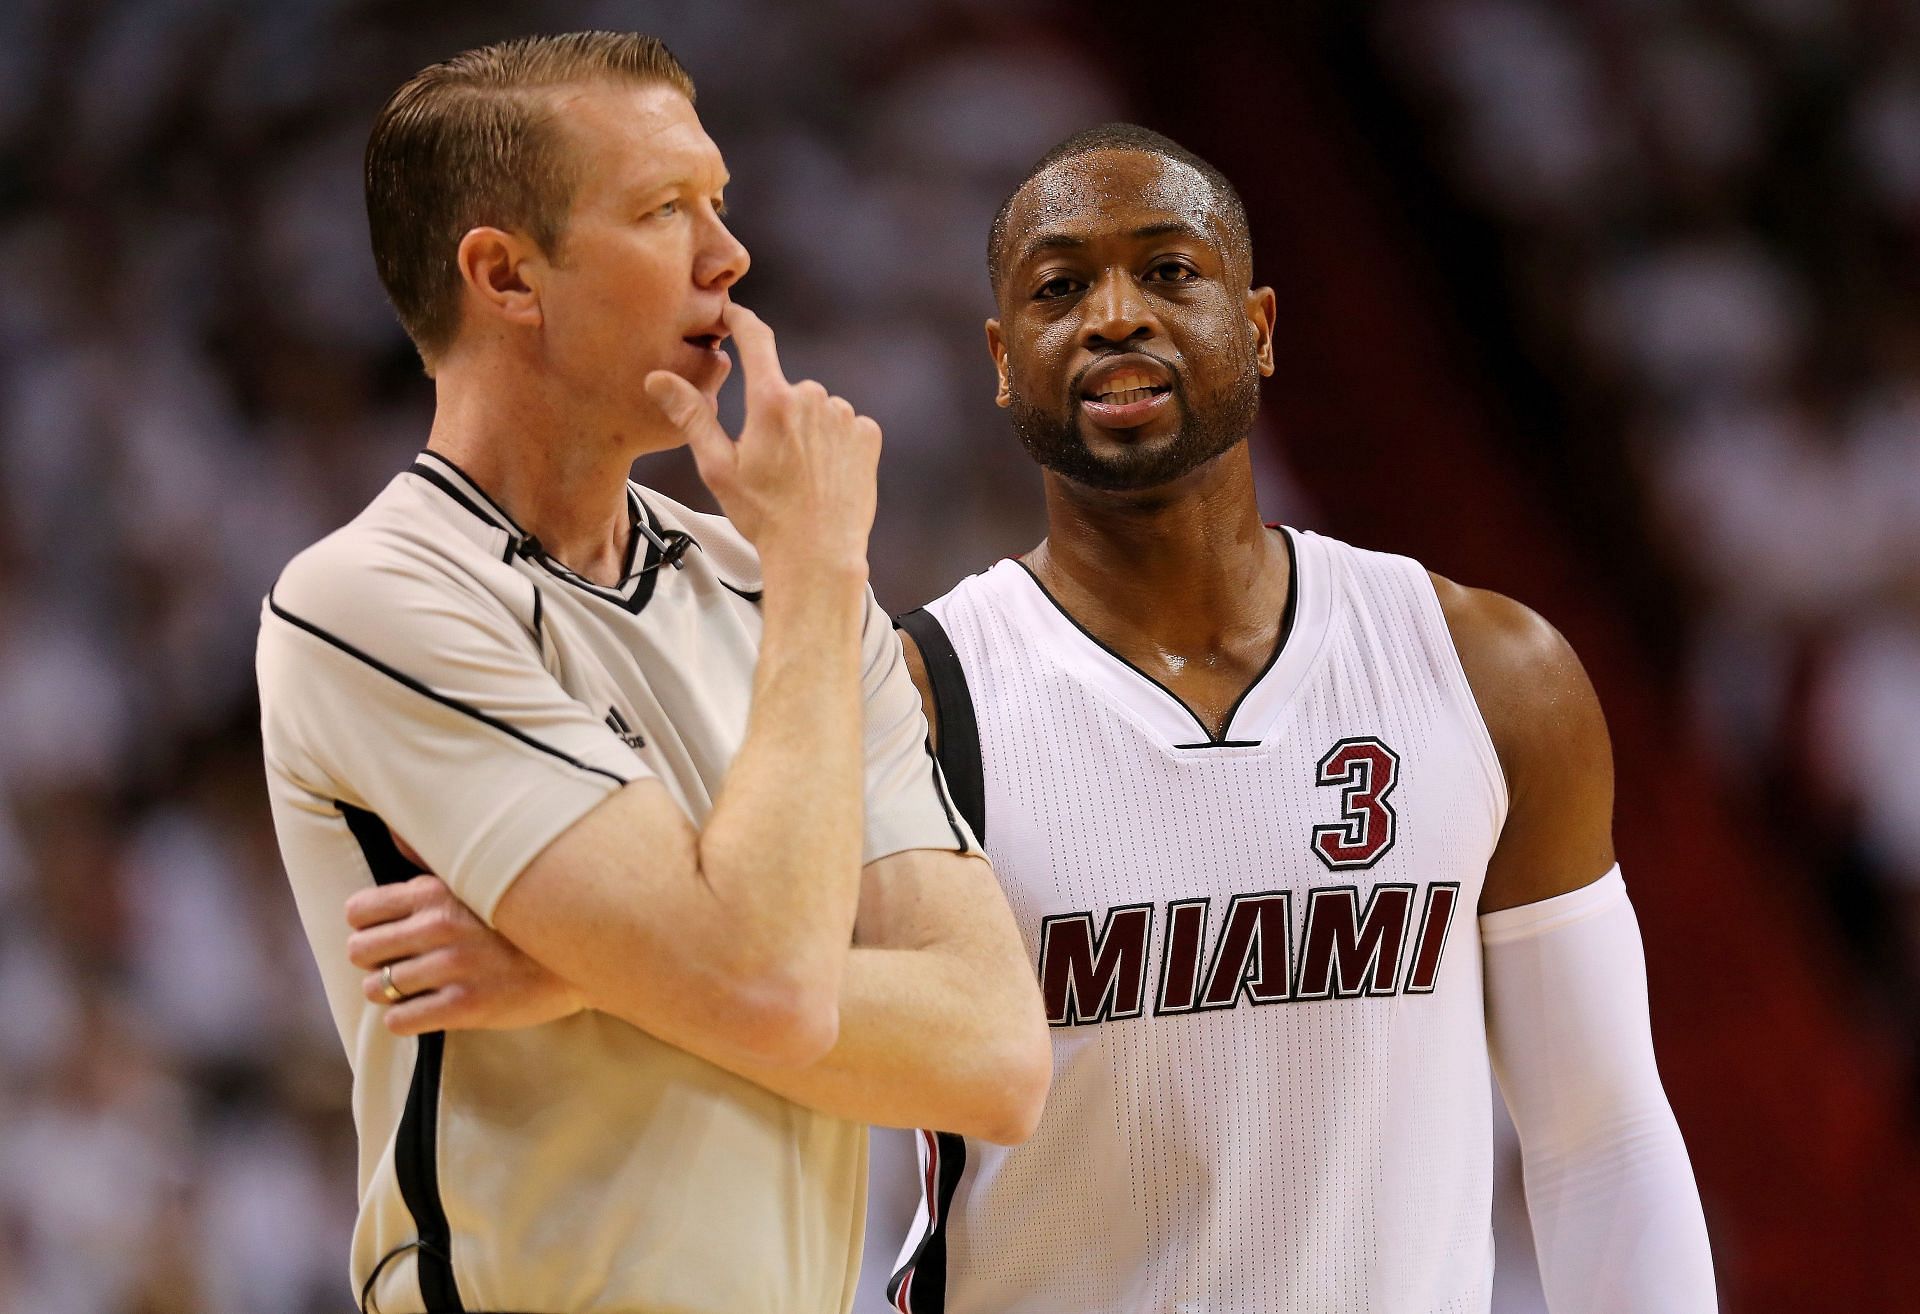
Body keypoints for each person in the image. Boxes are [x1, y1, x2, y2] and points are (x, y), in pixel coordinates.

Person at [366, 122, 1717, 1312]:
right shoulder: (916, 695)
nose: (1116, 314)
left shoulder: (1489, 672)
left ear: (1257, 324)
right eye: (1063, 288)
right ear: (1008, 366)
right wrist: (582, 956)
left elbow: (1598, 1133)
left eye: (1168, 271)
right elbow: (737, 976)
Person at [255, 32, 1049, 1314]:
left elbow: (997, 1055)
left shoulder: (790, 584)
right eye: (663, 210)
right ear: (506, 275)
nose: (729, 257)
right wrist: (704, 969)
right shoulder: (375, 600)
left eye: (720, 203)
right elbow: (766, 987)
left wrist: (589, 971)